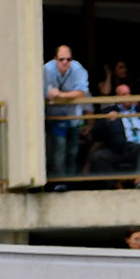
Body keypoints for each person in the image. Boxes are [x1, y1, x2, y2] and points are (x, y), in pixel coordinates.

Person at [87, 83, 140, 185]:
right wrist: (106, 121)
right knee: (97, 157)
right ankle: (116, 186)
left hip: (139, 147)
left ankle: (139, 181)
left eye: (129, 93)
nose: (127, 97)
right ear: (117, 97)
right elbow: (95, 135)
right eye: (123, 94)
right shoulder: (107, 111)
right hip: (118, 149)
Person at [42, 45, 90, 181]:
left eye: (68, 59)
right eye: (61, 59)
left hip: (73, 117)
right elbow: (44, 94)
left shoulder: (77, 68)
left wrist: (60, 95)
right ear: (55, 59)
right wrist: (69, 95)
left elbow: (82, 93)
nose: (65, 62)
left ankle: (71, 182)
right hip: (54, 118)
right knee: (59, 150)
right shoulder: (47, 70)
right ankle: (60, 181)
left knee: (72, 152)